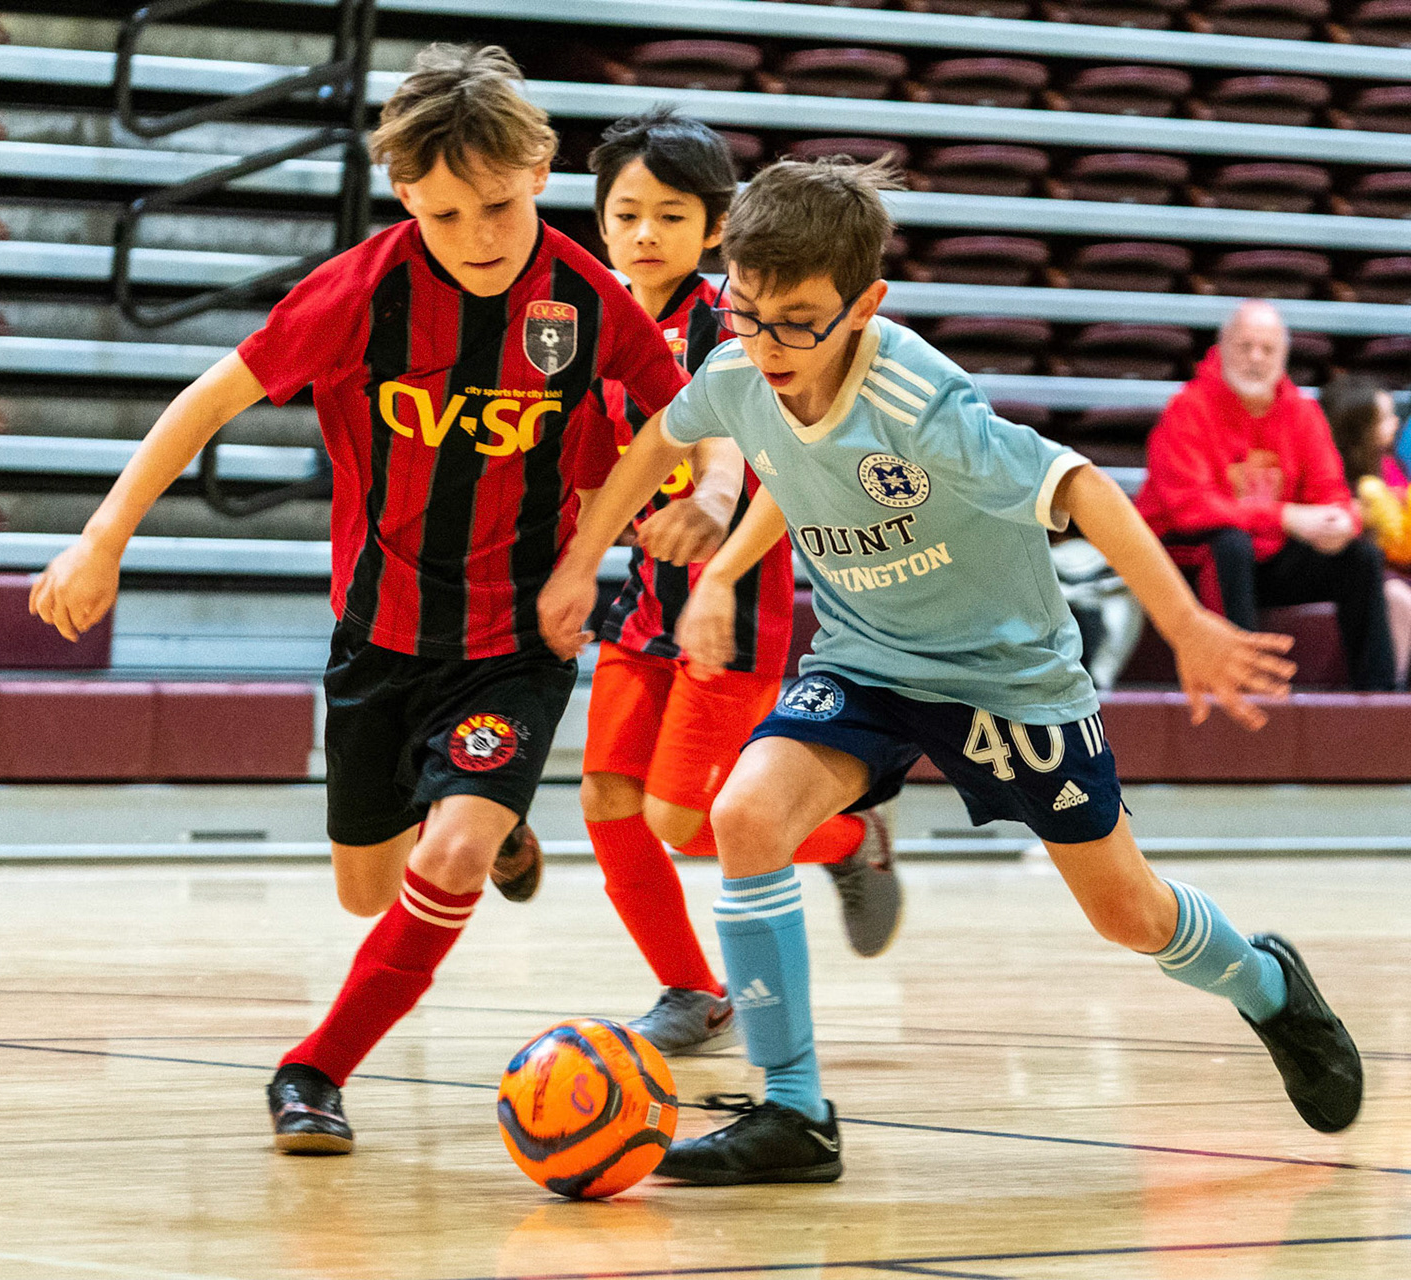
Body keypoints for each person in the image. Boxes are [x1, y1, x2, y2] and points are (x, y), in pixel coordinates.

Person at [540, 157, 1361, 1186]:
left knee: (1128, 913)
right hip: (867, 660)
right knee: (747, 814)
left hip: (1005, 676)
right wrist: (586, 565)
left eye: (800, 319)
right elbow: (677, 438)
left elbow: (1085, 485)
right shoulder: (742, 370)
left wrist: (1188, 621)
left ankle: (1268, 983)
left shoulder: (924, 400)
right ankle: (796, 1113)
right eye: (750, 312)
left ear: (864, 304)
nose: (769, 342)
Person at [29, 45, 684, 1155]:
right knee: (366, 888)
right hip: (380, 634)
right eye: (446, 215)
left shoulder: (584, 293)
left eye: (497, 205)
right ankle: (488, 810)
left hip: (516, 639)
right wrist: (104, 539)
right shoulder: (366, 288)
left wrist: (597, 553)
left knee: (451, 856)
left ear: (538, 168)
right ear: (404, 197)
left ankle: (312, 1069)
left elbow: (686, 413)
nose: (479, 236)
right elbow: (208, 399)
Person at [577, 111, 901, 1059]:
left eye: (670, 215)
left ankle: (845, 840)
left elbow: (729, 444)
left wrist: (718, 509)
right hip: (645, 587)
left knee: (682, 820)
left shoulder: (735, 315)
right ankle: (692, 990)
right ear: (600, 222)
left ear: (715, 228)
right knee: (605, 801)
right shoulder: (586, 317)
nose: (645, 233)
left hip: (738, 589)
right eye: (627, 212)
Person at [1135, 301, 1395, 691]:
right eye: (1245, 346)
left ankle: (1378, 700)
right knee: (1231, 545)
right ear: (1222, 349)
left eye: (1268, 349)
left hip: (1266, 556)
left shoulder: (1303, 414)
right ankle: (1243, 688)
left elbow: (1333, 494)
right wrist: (1287, 518)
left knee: (1360, 557)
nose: (1255, 358)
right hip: (1183, 561)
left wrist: (1343, 522)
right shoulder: (1187, 410)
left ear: (1283, 357)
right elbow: (1189, 509)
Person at [1320, 373, 1411, 684]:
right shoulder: (1335, 476)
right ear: (1360, 429)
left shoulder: (1391, 465)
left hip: (1402, 566)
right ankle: (1389, 697)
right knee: (1399, 599)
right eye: (1385, 418)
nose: (1396, 423)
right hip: (1378, 577)